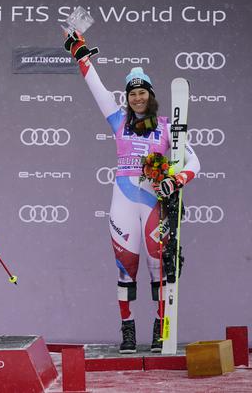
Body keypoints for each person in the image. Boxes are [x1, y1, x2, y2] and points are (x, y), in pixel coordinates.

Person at [64, 31, 200, 353]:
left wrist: (175, 180)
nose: (137, 98)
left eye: (142, 92)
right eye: (132, 94)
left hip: (153, 203)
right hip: (123, 200)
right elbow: (96, 90)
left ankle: (159, 327)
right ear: (127, 98)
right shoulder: (118, 122)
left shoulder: (167, 127)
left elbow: (194, 160)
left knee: (158, 268)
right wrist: (82, 58)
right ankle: (127, 330)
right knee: (126, 267)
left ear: (150, 95)